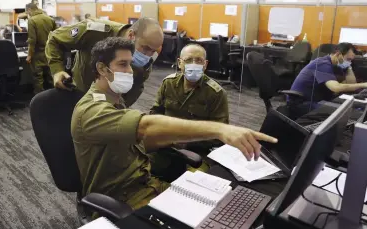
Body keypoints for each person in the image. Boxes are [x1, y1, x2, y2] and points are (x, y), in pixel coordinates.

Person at [71, 37, 278, 210]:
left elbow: (138, 140)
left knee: (216, 204)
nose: (131, 71)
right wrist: (220, 129)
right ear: (102, 69)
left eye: (130, 64)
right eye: (123, 65)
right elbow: (146, 126)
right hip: (124, 195)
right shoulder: (92, 110)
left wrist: (171, 141)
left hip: (144, 180)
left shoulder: (113, 98)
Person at [149, 44, 229, 178]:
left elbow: (219, 134)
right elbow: (155, 112)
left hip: (198, 152)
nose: (194, 64)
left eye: (199, 61)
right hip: (166, 144)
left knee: (195, 182)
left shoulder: (216, 93)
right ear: (180, 63)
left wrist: (187, 141)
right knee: (140, 167)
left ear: (205, 64)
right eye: (188, 60)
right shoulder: (168, 84)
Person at [45, 17, 163, 107]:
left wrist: (119, 108)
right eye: (146, 48)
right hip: (79, 94)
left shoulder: (146, 59)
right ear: (131, 35)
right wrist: (57, 70)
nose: (147, 55)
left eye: (153, 51)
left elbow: (136, 86)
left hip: (109, 105)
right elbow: (55, 39)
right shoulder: (96, 31)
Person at [290, 42, 367, 114]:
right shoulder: (322, 63)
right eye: (348, 59)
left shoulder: (337, 64)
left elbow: (351, 83)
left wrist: (348, 66)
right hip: (304, 102)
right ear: (338, 54)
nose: (349, 62)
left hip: (320, 100)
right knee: (346, 112)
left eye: (351, 60)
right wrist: (363, 85)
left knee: (354, 108)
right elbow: (336, 88)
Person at [26, 3, 57, 94]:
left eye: (27, 12)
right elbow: (55, 35)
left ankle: (39, 100)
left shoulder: (32, 20)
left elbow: (32, 40)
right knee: (51, 77)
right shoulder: (50, 19)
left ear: (29, 10)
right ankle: (54, 96)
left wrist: (29, 55)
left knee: (38, 77)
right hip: (50, 52)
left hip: (38, 53)